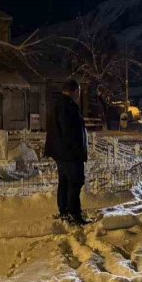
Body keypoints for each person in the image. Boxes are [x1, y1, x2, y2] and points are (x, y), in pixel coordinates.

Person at [45, 78, 88, 224]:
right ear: (75, 91)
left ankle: (64, 211)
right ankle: (74, 214)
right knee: (75, 182)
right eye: (79, 92)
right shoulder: (68, 106)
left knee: (64, 182)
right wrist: (76, 152)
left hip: (60, 152)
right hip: (69, 153)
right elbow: (68, 132)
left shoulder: (58, 104)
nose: (79, 95)